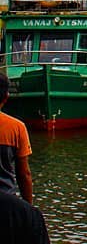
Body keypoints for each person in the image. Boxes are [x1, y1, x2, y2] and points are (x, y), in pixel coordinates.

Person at [0, 73, 34, 205]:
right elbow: (24, 174)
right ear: (6, 97)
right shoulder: (17, 127)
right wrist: (29, 209)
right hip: (7, 203)